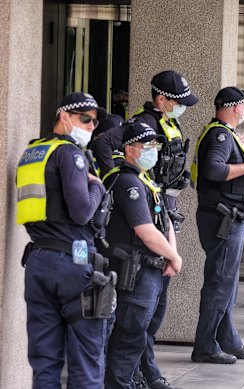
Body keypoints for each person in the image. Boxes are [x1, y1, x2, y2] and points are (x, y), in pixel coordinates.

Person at [92, 70, 198, 388]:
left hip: (158, 217)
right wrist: (120, 179)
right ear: (161, 99)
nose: (181, 108)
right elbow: (103, 145)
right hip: (139, 234)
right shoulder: (140, 128)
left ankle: (141, 369)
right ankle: (136, 372)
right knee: (134, 319)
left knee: (150, 312)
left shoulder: (166, 125)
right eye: (176, 102)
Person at [17, 92, 109, 388]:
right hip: (74, 261)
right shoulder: (70, 154)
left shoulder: (32, 153)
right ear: (64, 116)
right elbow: (82, 212)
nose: (91, 126)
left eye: (95, 122)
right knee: (86, 358)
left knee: (45, 359)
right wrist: (98, 187)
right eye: (85, 119)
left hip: (38, 260)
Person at [103, 122, 183, 389]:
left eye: (155, 146)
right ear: (129, 149)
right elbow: (146, 231)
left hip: (153, 267)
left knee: (142, 331)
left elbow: (165, 220)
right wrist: (175, 257)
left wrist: (171, 254)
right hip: (135, 269)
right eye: (146, 146)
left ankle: (132, 379)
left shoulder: (145, 180)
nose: (153, 151)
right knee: (129, 334)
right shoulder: (127, 182)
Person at [191, 86, 244, 364]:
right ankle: (205, 346)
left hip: (229, 217)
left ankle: (228, 339)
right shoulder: (220, 134)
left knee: (228, 284)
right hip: (223, 218)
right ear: (235, 107)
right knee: (220, 283)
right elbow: (214, 169)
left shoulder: (225, 134)